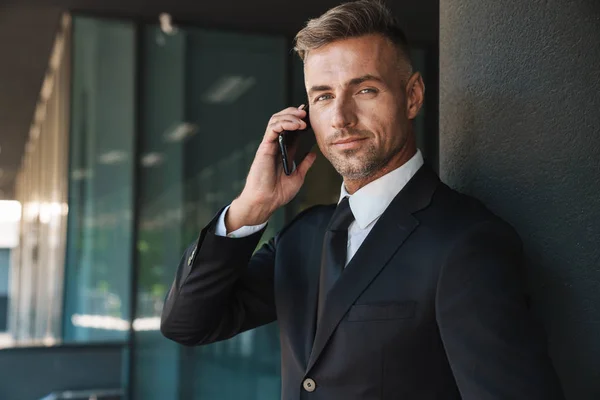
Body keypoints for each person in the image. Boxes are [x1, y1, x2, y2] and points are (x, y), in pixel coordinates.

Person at [161, 1, 564, 398]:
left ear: (412, 96)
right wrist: (251, 207)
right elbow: (187, 324)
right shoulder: (302, 239)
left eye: (365, 89)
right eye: (322, 96)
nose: (340, 117)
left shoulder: (467, 243)